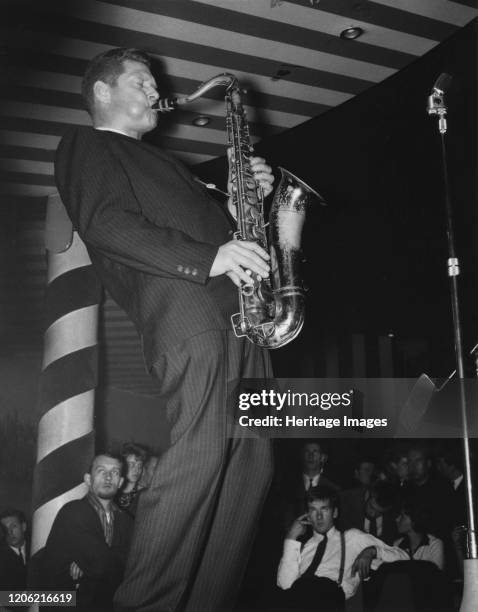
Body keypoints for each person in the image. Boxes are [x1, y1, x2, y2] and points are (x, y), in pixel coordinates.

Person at [54, 47, 276, 612]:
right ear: (102, 92)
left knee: (251, 468)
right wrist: (210, 259)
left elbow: (221, 236)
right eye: (141, 81)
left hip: (242, 318)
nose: (157, 90)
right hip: (191, 312)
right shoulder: (88, 144)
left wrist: (248, 201)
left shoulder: (169, 168)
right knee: (198, 458)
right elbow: (106, 223)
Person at [276, 485, 408, 610]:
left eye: (324, 509)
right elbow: (285, 585)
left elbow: (404, 558)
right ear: (308, 515)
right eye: (313, 510)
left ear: (335, 513)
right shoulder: (302, 547)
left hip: (330, 599)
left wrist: (372, 551)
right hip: (299, 600)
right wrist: (291, 538)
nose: (319, 516)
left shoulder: (352, 538)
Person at [42, 453, 133, 611]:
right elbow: (101, 565)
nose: (108, 477)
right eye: (101, 471)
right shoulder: (73, 511)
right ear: (88, 479)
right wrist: (119, 560)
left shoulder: (126, 520)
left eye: (115, 472)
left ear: (121, 482)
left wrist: (90, 561)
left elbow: (135, 563)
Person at [340, 480, 398, 544]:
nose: (373, 514)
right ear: (367, 494)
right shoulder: (346, 501)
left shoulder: (390, 517)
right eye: (372, 507)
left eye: (379, 513)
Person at [115, 442, 149, 518]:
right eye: (132, 464)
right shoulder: (113, 489)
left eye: (139, 466)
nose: (136, 469)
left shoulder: (144, 494)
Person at [0, 508, 28, 590]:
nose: (10, 532)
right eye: (5, 528)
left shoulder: (36, 548)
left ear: (23, 527)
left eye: (14, 526)